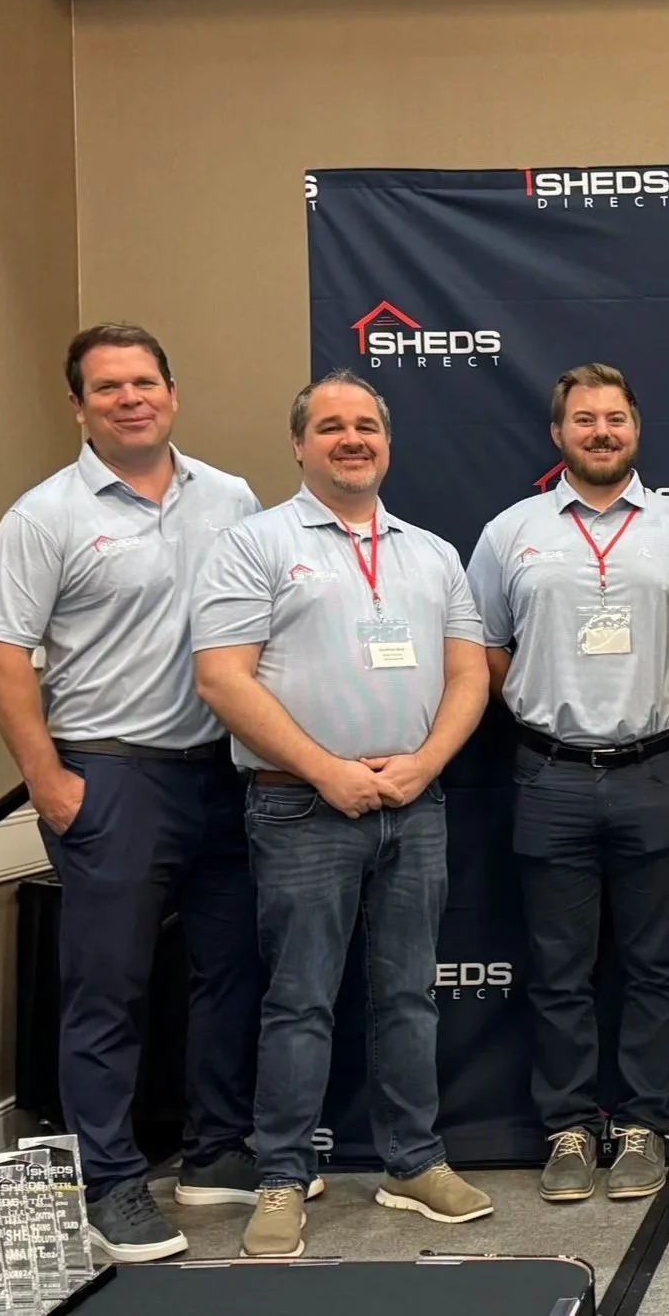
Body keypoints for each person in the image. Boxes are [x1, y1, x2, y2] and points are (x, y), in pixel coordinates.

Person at [0, 324, 267, 1262]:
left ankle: (215, 1153)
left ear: (172, 394)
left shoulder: (230, 497)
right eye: (108, 387)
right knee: (108, 990)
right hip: (110, 773)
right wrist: (49, 782)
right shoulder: (44, 514)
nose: (130, 398)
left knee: (227, 974)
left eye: (144, 381)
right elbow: (4, 654)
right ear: (79, 406)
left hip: (223, 770)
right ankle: (108, 1182)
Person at [191, 370, 492, 1258]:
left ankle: (413, 1162)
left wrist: (422, 765)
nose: (351, 438)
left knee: (407, 996)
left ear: (388, 445)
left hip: (416, 801)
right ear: (299, 443)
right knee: (298, 1001)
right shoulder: (254, 544)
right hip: (299, 807)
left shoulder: (432, 552)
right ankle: (283, 1174)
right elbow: (222, 677)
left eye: (366, 426)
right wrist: (326, 771)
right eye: (331, 426)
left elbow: (471, 672)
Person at [467, 364, 669, 1205]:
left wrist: (661, 708)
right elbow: (486, 649)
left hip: (656, 767)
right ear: (557, 433)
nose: (600, 431)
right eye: (584, 419)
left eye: (614, 417)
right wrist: (545, 712)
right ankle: (568, 1128)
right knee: (560, 968)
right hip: (551, 772)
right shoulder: (510, 532)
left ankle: (643, 1125)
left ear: (636, 427)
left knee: (654, 965)